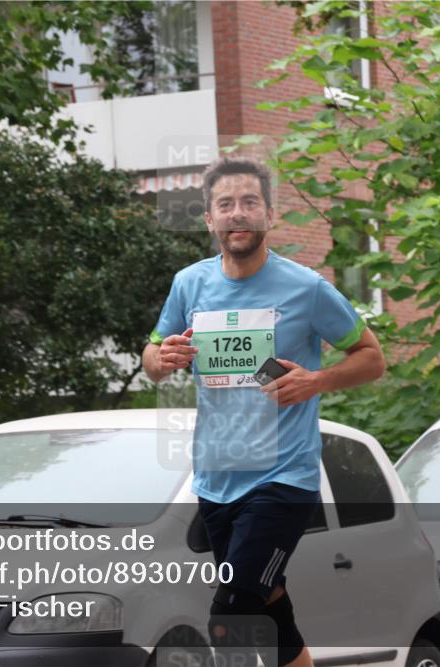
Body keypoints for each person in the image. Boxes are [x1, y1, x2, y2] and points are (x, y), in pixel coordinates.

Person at [142, 157, 386, 667]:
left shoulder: (307, 288)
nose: (238, 214)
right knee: (271, 608)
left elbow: (371, 358)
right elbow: (152, 354)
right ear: (209, 219)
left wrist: (317, 380)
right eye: (225, 205)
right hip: (215, 478)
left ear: (269, 215)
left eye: (250, 203)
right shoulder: (189, 285)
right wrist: (160, 359)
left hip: (283, 479)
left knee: (232, 610)